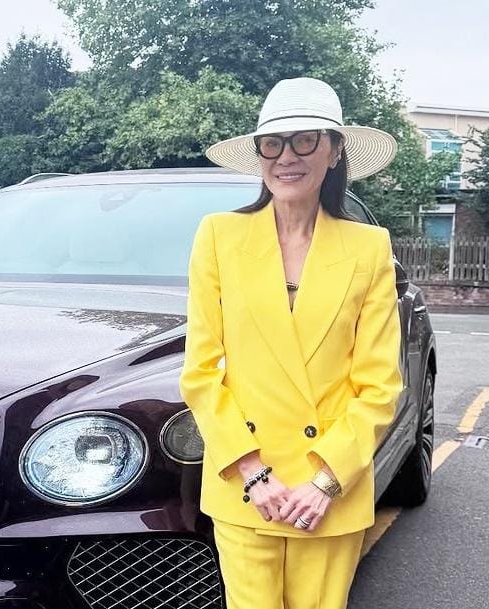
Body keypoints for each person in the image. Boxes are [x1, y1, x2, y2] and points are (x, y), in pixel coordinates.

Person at [179, 77, 403, 609]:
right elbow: (201, 372)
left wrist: (325, 481)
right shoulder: (219, 236)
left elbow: (379, 386)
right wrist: (254, 472)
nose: (286, 157)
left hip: (330, 489)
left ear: (335, 150)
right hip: (247, 484)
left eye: (305, 141)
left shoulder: (368, 246)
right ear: (259, 153)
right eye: (273, 143)